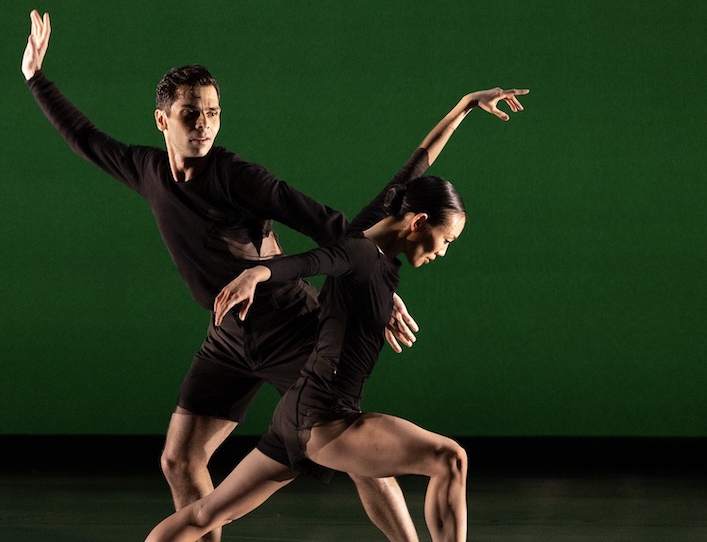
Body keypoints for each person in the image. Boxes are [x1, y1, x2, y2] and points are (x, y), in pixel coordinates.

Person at [20, 10, 423, 541]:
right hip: (229, 338)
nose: (204, 123)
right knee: (180, 460)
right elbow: (85, 137)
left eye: (212, 112)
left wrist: (373, 279)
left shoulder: (240, 177)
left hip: (290, 328)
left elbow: (328, 224)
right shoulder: (147, 170)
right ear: (163, 121)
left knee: (350, 451)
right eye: (191, 113)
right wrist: (36, 78)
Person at [145, 86, 529, 542]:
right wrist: (258, 275)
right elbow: (308, 262)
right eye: (445, 241)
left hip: (296, 416)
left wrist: (464, 106)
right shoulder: (359, 252)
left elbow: (417, 162)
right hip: (327, 422)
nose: (444, 252)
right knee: (451, 459)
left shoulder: (377, 225)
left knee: (204, 516)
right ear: (420, 223)